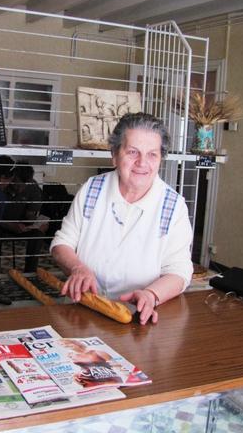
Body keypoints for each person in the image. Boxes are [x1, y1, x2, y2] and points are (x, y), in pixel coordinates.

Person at [50, 112, 193, 325]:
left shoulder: (173, 206)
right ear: (114, 155)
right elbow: (62, 243)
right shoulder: (92, 189)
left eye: (152, 154)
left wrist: (151, 295)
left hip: (137, 316)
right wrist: (77, 268)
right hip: (83, 307)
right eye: (132, 152)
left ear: (161, 159)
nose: (142, 163)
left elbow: (179, 271)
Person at [2, 162, 47, 273]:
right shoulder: (2, 185)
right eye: (17, 184)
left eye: (24, 185)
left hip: (22, 226)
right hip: (0, 224)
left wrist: (38, 223)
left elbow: (30, 215)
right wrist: (9, 225)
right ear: (12, 177)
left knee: (38, 234)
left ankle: (30, 272)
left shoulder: (33, 188)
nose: (20, 189)